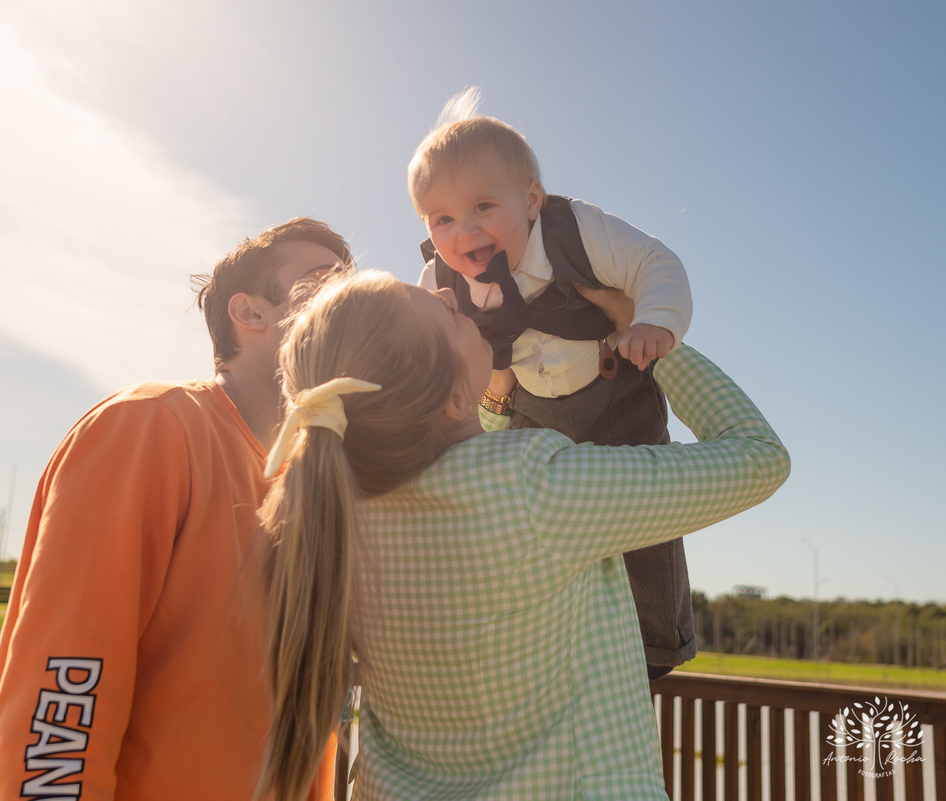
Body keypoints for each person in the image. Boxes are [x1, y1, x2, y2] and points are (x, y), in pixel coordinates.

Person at [254, 271, 789, 800]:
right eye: (442, 311)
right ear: (451, 403)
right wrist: (649, 335)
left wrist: (495, 395)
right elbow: (759, 457)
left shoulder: (335, 516)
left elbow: (461, 467)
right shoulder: (533, 489)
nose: (446, 290)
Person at [0, 218, 352, 801]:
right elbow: (69, 676)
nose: (351, 300)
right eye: (323, 283)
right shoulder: (150, 425)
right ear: (249, 314)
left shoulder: (314, 474)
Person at [411, 89, 697, 679]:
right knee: (520, 530)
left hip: (616, 399)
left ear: (532, 200)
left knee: (645, 520)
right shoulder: (440, 278)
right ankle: (527, 640)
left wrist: (653, 323)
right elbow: (433, 355)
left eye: (483, 206)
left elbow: (656, 264)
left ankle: (650, 651)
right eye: (442, 219)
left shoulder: (575, 231)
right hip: (529, 415)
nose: (464, 231)